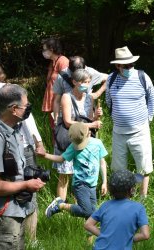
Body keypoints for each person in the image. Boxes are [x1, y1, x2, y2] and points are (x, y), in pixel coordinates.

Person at [0, 59, 45, 241]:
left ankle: (21, 234)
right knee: (26, 189)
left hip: (10, 152)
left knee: (24, 187)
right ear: (14, 110)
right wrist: (38, 141)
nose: (27, 109)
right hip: (14, 150)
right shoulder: (11, 90)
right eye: (25, 107)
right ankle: (31, 237)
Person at [106, 46, 154, 201]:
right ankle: (125, 196)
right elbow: (109, 101)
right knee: (119, 168)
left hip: (139, 131)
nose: (130, 68)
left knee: (144, 166)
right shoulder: (111, 79)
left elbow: (153, 98)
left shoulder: (142, 76)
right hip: (118, 132)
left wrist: (148, 118)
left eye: (131, 65)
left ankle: (143, 197)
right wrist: (117, 117)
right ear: (117, 66)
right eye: (126, 66)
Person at [36, 122, 107, 221]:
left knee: (92, 214)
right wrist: (45, 155)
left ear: (89, 134)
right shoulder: (73, 147)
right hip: (80, 184)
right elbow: (61, 159)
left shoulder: (97, 143)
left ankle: (89, 236)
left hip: (93, 184)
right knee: (87, 212)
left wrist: (104, 182)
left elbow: (102, 162)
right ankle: (60, 205)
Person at [53, 69, 102, 202]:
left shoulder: (89, 98)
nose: (86, 85)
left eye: (88, 82)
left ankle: (79, 207)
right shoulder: (66, 97)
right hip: (68, 140)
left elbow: (89, 119)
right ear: (74, 82)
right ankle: (60, 207)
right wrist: (92, 125)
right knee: (65, 175)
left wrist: (96, 116)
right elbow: (68, 122)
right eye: (83, 82)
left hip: (84, 141)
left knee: (81, 174)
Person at [84, 169, 150, 249]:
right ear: (132, 190)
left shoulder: (105, 205)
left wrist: (106, 236)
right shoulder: (139, 208)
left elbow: (88, 224)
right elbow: (145, 235)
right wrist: (126, 239)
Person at [52, 56, 108, 124]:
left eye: (87, 82)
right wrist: (56, 119)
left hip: (87, 113)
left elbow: (108, 78)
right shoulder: (62, 76)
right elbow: (57, 101)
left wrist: (97, 94)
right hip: (69, 115)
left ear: (85, 68)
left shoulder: (90, 72)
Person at [41, 37, 69, 128]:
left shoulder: (63, 61)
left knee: (60, 131)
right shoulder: (52, 62)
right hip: (53, 103)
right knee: (54, 130)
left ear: (51, 49)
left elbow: (67, 85)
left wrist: (62, 104)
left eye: (44, 49)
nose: (43, 52)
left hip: (59, 104)